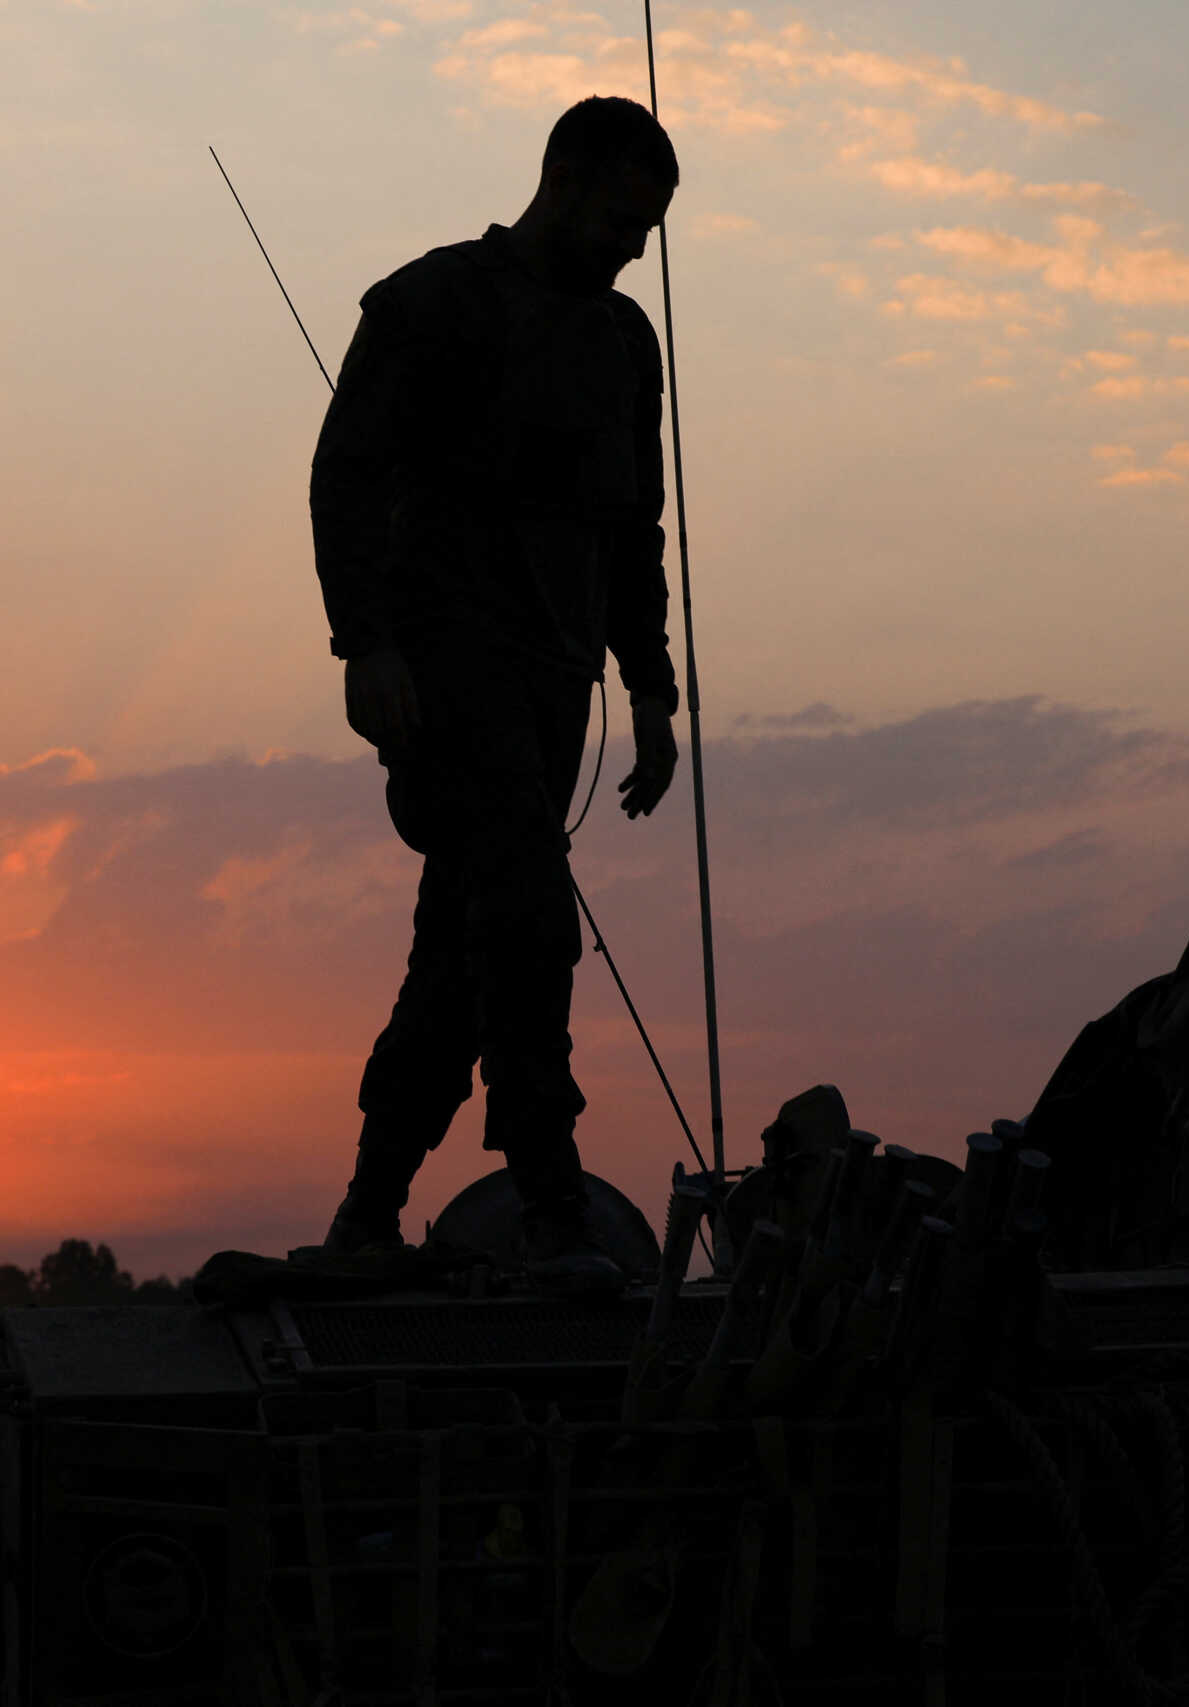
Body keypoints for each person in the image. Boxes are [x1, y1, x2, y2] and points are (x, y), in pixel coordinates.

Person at [310, 95, 684, 1284]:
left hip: (554, 678)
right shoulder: (433, 304)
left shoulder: (624, 345)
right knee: (525, 911)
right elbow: (345, 480)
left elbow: (634, 533)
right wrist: (365, 646)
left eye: (653, 229)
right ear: (565, 182)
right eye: (626, 218)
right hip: (445, 665)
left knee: (459, 951)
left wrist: (654, 691)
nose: (638, 248)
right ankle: (553, 1204)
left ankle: (368, 1209)